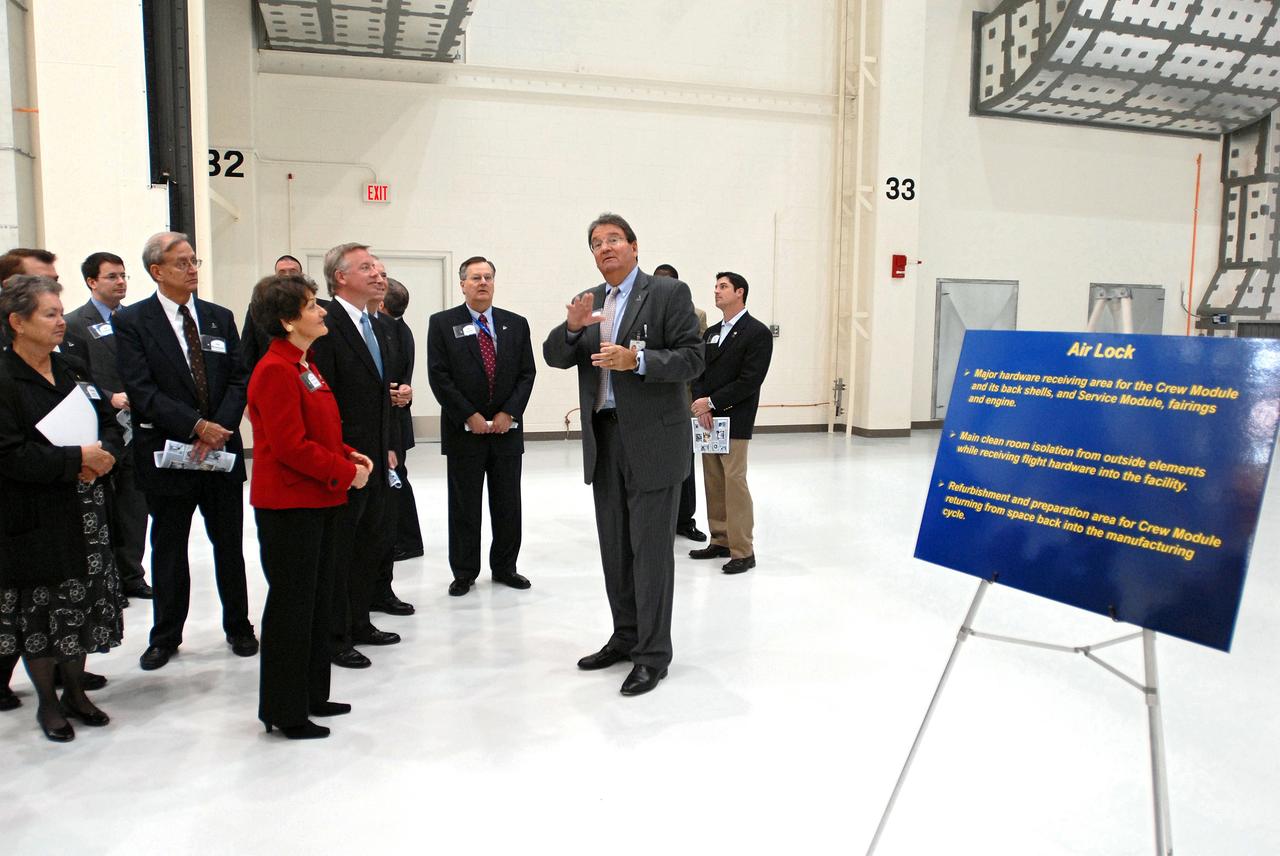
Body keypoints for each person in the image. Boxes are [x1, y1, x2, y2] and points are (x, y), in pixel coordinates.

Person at [542, 213, 702, 696]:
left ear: (634, 247)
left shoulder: (668, 294)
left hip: (654, 440)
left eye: (614, 239)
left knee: (651, 552)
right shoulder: (592, 302)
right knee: (615, 548)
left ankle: (653, 655)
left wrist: (640, 361)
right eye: (596, 243)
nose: (605, 248)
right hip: (606, 439)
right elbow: (554, 355)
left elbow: (693, 357)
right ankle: (626, 636)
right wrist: (571, 330)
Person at [114, 232, 258, 671]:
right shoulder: (134, 322)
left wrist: (219, 429)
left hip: (221, 453)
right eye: (181, 263)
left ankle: (239, 626)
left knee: (229, 544)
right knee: (170, 547)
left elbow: (238, 379)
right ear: (157, 271)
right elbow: (141, 389)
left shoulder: (218, 317)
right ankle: (165, 635)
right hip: (167, 453)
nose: (192, 268)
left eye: (194, 261)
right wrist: (195, 426)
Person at [247, 273, 372, 740]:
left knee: (321, 604)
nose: (321, 311)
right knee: (293, 610)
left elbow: (319, 431)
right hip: (290, 506)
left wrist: (347, 455)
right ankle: (285, 709)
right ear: (287, 320)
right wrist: (344, 473)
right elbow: (289, 447)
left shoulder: (306, 363)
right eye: (312, 305)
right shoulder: (276, 369)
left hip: (321, 499)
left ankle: (312, 694)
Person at [0, 275, 124, 741]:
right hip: (34, 514)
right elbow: (9, 453)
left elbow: (108, 420)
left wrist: (106, 454)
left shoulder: (72, 367)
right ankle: (48, 704)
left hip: (86, 506)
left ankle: (76, 691)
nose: (59, 322)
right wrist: (77, 460)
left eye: (59, 312)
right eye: (49, 314)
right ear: (17, 322)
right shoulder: (5, 379)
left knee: (81, 603)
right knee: (43, 609)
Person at [309, 243, 403, 669]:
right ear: (340, 277)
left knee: (370, 543)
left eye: (381, 270)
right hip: (343, 461)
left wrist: (386, 446)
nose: (379, 276)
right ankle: (336, 634)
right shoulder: (326, 325)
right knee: (342, 549)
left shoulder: (379, 326)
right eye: (367, 268)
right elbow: (325, 398)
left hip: (375, 458)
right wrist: (341, 458)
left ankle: (360, 620)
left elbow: (376, 396)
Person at [427, 256, 537, 597]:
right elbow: (439, 376)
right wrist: (468, 415)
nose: (483, 283)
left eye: (488, 276)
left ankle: (505, 567)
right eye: (475, 278)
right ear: (462, 284)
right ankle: (464, 572)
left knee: (507, 503)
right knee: (464, 505)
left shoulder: (515, 324)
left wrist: (509, 413)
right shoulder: (443, 323)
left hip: (507, 432)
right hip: (465, 433)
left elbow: (526, 373)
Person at [62, 252, 153, 601]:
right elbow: (75, 375)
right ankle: (106, 578)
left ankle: (132, 574)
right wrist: (109, 395)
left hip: (137, 425)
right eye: (112, 276)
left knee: (135, 505)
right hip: (98, 428)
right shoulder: (73, 324)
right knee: (103, 508)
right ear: (91, 281)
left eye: (123, 275)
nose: (121, 282)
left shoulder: (134, 320)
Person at [689, 272, 774, 573]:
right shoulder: (710, 332)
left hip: (734, 418)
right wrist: (701, 406)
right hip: (708, 420)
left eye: (723, 286)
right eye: (715, 286)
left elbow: (750, 379)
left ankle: (743, 550)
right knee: (713, 479)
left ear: (740, 292)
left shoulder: (757, 333)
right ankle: (721, 539)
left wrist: (712, 402)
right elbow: (698, 371)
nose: (716, 291)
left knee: (734, 481)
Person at [654, 262, 708, 543]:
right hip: (649, 399)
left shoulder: (695, 315)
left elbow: (697, 360)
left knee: (684, 462)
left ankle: (685, 520)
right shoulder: (640, 315)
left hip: (682, 400)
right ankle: (657, 519)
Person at [381, 277, 425, 567]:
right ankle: (406, 540)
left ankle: (406, 541)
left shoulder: (388, 330)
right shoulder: (403, 329)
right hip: (397, 417)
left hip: (392, 420)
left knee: (395, 479)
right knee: (398, 477)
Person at [241, 255, 304, 372]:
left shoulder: (321, 308)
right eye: (282, 272)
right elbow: (247, 354)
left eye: (293, 272)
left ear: (302, 276)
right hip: (271, 375)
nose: (288, 276)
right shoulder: (260, 308)